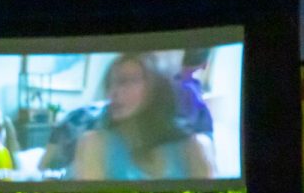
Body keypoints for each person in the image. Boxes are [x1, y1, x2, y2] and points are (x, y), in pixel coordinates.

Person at [71, 53, 216, 180]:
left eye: (125, 81)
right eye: (110, 84)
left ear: (156, 87)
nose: (113, 93)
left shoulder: (194, 148)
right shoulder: (94, 144)